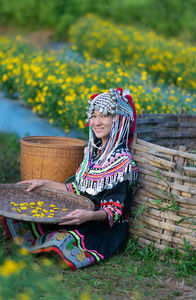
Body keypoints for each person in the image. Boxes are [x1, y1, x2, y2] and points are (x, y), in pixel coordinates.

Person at [2, 87, 138, 270]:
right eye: (93, 116)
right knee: (19, 216)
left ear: (118, 120)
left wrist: (88, 216)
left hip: (100, 225)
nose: (97, 122)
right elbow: (75, 189)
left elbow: (113, 211)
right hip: (79, 212)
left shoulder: (122, 163)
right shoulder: (92, 154)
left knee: (62, 241)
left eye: (104, 116)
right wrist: (43, 183)